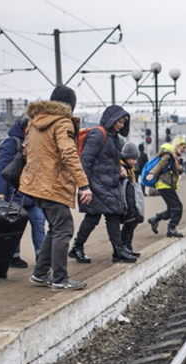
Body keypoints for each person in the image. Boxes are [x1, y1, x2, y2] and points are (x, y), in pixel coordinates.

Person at [20, 85, 93, 291]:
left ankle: (40, 273)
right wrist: (84, 184)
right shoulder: (62, 122)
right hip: (52, 183)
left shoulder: (33, 123)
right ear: (70, 105)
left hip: (36, 184)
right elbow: (68, 154)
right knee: (64, 228)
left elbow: (28, 153)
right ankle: (60, 279)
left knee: (55, 227)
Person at [69, 105, 136, 264]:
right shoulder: (99, 133)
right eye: (119, 122)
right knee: (108, 215)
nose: (121, 125)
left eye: (123, 123)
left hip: (107, 183)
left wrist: (118, 167)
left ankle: (79, 247)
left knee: (97, 216)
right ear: (111, 119)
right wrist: (84, 186)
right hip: (97, 184)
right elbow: (85, 160)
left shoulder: (112, 136)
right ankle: (117, 250)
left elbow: (106, 159)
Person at [0, 116, 46, 268]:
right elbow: (1, 167)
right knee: (15, 225)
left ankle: (41, 256)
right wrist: (0, 192)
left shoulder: (35, 143)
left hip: (32, 193)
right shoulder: (11, 143)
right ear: (25, 128)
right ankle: (14, 256)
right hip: (14, 193)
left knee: (39, 221)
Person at [146, 136, 186, 238]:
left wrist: (179, 166)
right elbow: (160, 164)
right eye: (183, 148)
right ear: (178, 146)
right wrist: (152, 173)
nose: (184, 150)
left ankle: (155, 219)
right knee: (178, 207)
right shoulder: (169, 154)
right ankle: (171, 229)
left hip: (167, 185)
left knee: (172, 209)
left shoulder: (175, 157)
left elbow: (176, 170)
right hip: (165, 184)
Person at [119, 141, 144, 256]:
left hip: (131, 201)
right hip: (125, 202)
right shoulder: (121, 169)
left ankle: (128, 245)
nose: (135, 161)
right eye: (132, 159)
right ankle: (124, 245)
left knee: (134, 221)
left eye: (135, 159)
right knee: (130, 222)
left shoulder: (129, 169)